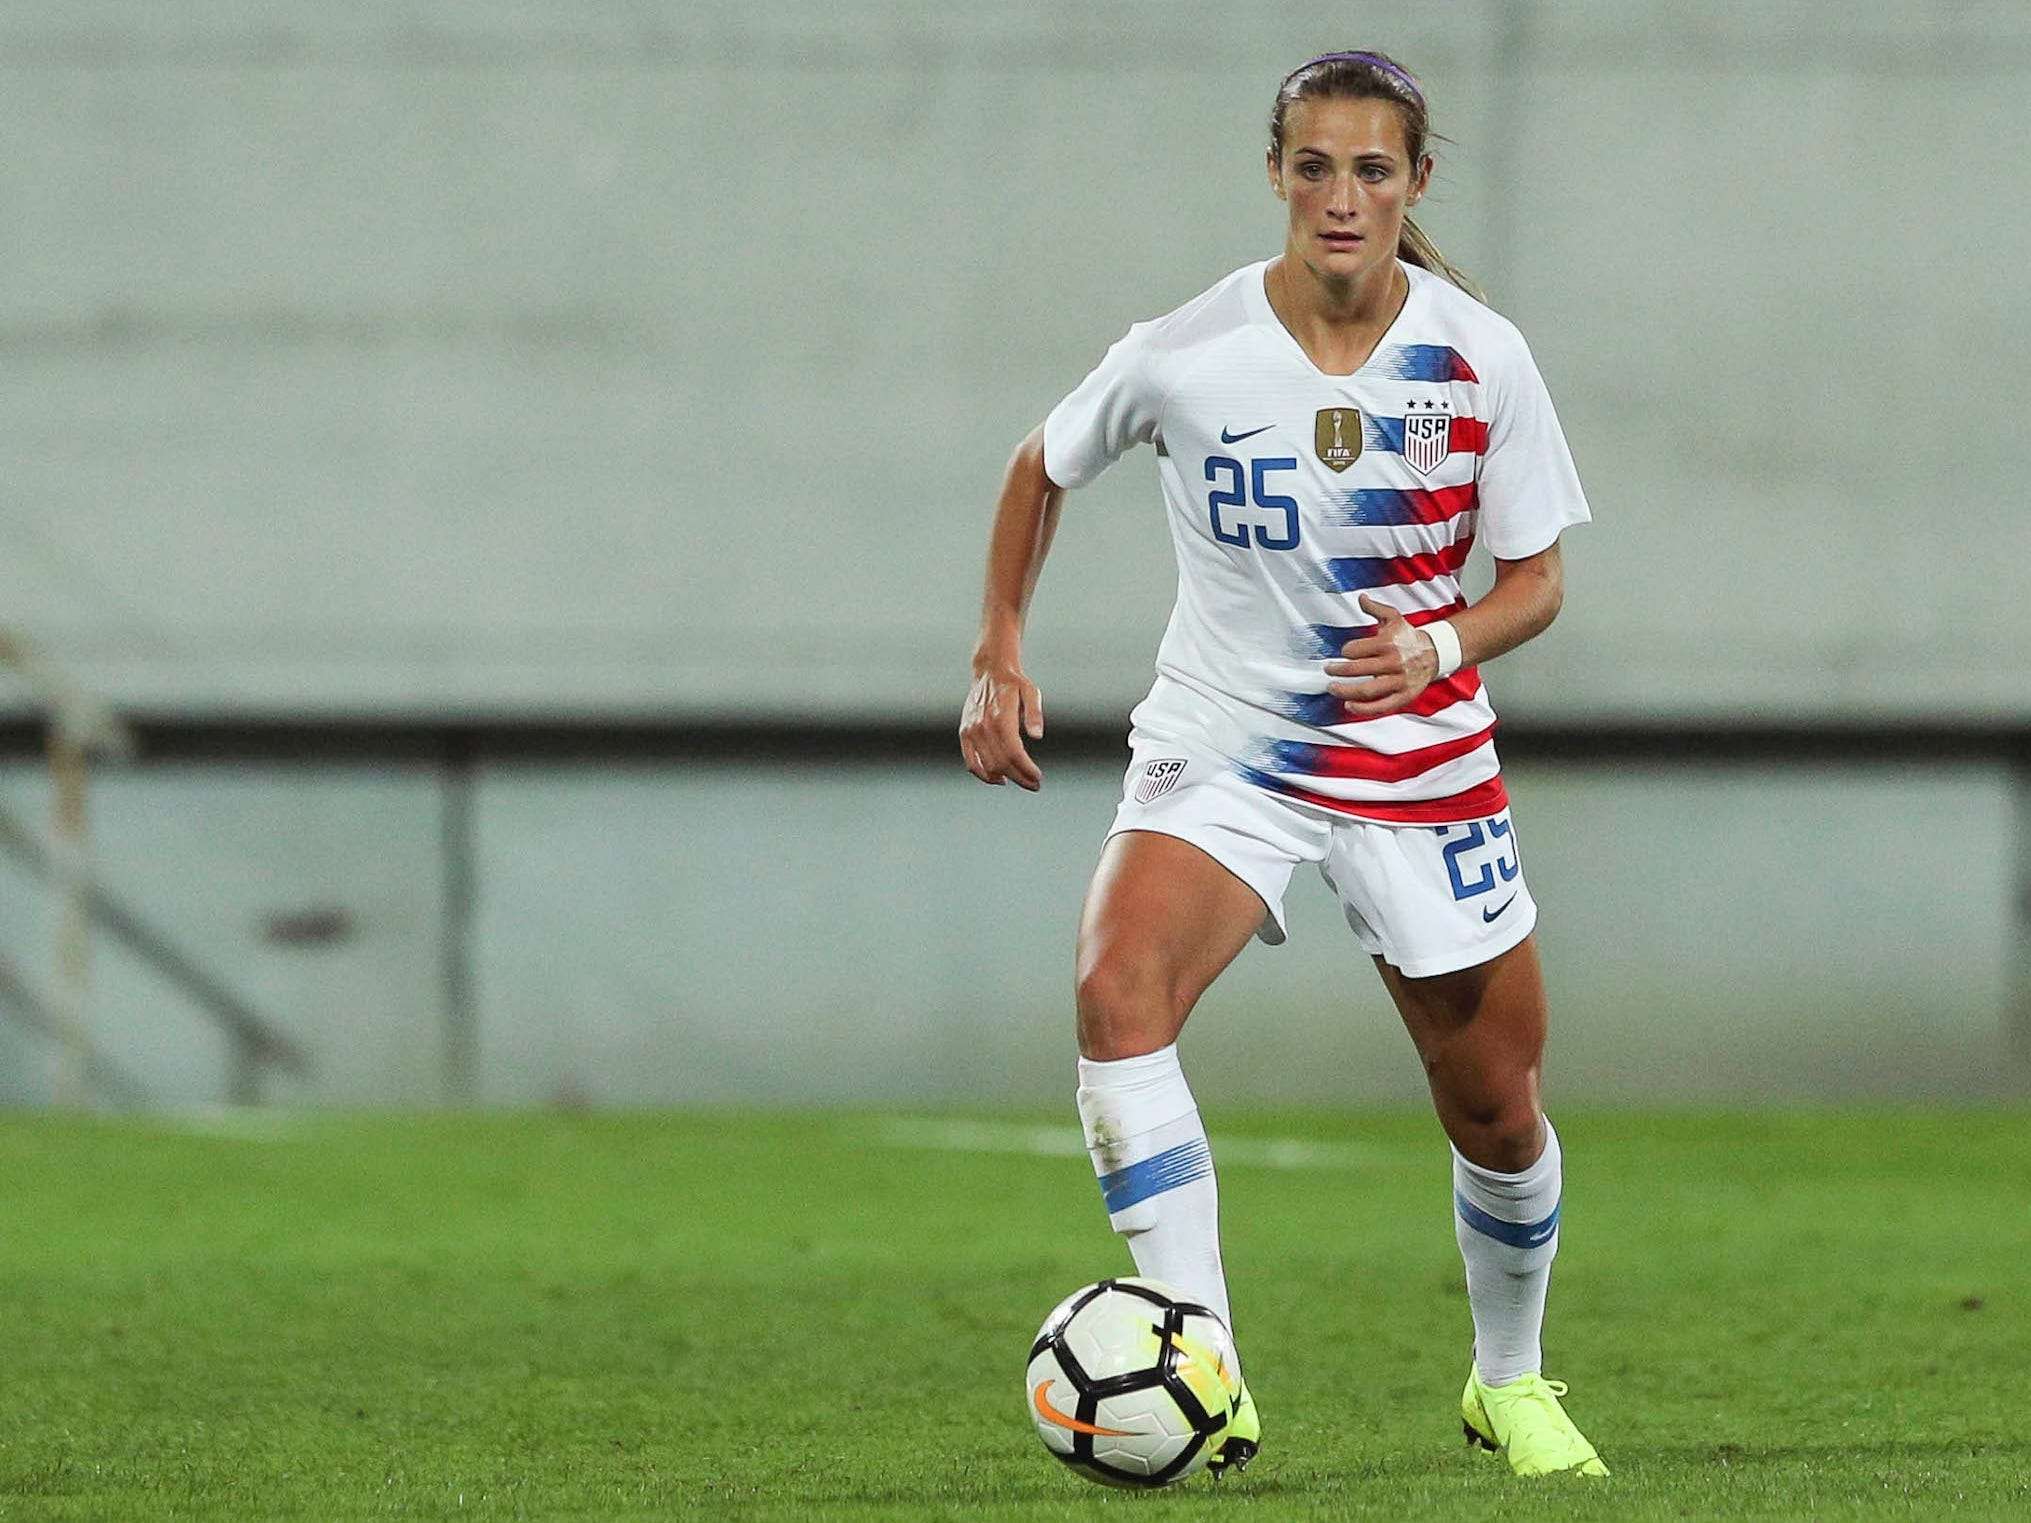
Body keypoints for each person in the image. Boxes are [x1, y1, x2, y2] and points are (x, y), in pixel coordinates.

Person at [960, 50, 1605, 1480]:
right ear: (1276, 175)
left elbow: (1537, 578)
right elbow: (1038, 466)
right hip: (1230, 743)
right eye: (1314, 166)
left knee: (1497, 1103)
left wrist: (1442, 647)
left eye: (1373, 169)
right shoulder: (1186, 350)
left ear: (1415, 183)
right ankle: (1206, 1361)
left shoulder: (1477, 355)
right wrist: (1000, 647)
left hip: (1417, 758)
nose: (1341, 195)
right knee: (1116, 994)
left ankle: (1511, 1380)